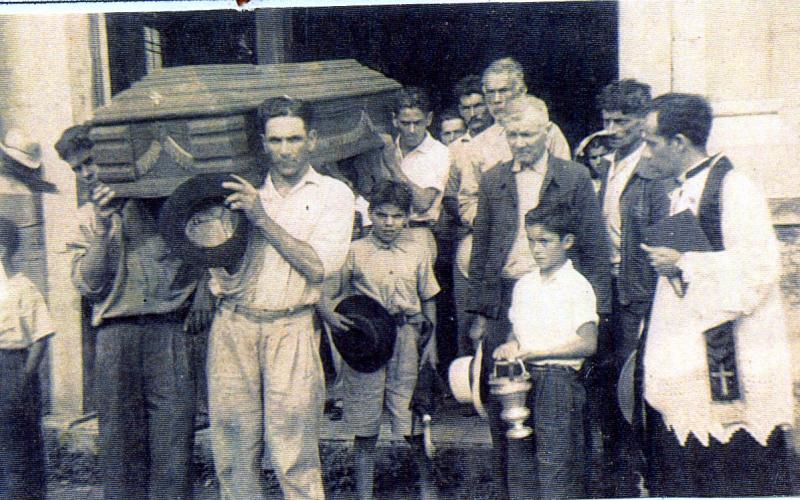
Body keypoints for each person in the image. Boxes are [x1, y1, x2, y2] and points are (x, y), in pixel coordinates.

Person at [639, 93, 794, 496]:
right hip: (692, 360)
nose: (646, 153)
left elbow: (759, 271)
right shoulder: (682, 190)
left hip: (731, 366)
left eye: (652, 142)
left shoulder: (734, 188)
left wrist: (685, 263)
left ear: (678, 142)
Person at [207, 96, 354, 499]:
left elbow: (317, 266)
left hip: (291, 326)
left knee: (295, 452)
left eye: (294, 139)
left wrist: (261, 217)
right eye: (275, 140)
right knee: (234, 452)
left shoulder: (333, 194)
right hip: (233, 325)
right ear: (262, 143)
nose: (285, 150)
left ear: (312, 140)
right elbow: (210, 258)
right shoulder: (238, 191)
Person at [466, 97, 610, 498]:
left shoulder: (573, 176)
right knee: (507, 410)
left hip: (560, 298)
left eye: (528, 135)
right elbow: (481, 248)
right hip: (508, 299)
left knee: (560, 416)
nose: (520, 143)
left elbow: (594, 249)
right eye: (512, 135)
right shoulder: (493, 179)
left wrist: (598, 314)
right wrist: (479, 312)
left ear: (547, 133)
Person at [57, 125, 206, 500]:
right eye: (77, 168)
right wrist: (103, 230)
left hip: (168, 330)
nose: (86, 173)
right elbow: (89, 286)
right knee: (120, 447)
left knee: (174, 442)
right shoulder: (83, 219)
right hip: (115, 335)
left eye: (90, 162)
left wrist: (205, 289)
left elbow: (205, 248)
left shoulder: (162, 202)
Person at [319, 180, 440, 500]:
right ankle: (364, 494)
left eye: (397, 216)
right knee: (365, 428)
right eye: (382, 215)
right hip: (367, 345)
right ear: (371, 214)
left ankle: (428, 488)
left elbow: (429, 297)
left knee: (412, 420)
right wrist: (338, 323)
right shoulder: (354, 252)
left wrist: (431, 345)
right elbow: (327, 294)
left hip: (406, 340)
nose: (389, 223)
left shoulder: (417, 250)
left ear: (408, 217)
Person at [452, 60, 572, 358]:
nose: (497, 100)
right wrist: (495, 220)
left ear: (522, 90)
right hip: (501, 259)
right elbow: (467, 202)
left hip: (543, 255)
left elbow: (566, 188)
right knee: (495, 345)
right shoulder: (477, 146)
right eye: (490, 93)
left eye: (504, 90)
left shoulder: (550, 133)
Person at [590, 79, 672, 497]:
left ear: (643, 121)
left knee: (634, 387)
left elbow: (665, 238)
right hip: (610, 289)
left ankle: (644, 477)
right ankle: (620, 474)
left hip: (639, 291)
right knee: (608, 385)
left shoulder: (654, 171)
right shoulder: (611, 165)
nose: (612, 129)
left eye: (622, 121)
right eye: (607, 120)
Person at [493, 202, 598, 500]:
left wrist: (537, 352)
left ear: (567, 241)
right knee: (520, 460)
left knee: (556, 463)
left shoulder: (576, 286)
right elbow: (517, 330)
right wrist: (510, 344)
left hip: (558, 382)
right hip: (523, 380)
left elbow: (588, 343)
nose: (537, 250)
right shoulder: (525, 285)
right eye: (531, 241)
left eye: (545, 241)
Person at [0, 218, 54, 500]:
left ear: (2, 250)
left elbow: (41, 335)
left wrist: (25, 376)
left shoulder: (22, 287)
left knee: (16, 442)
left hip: (12, 367)